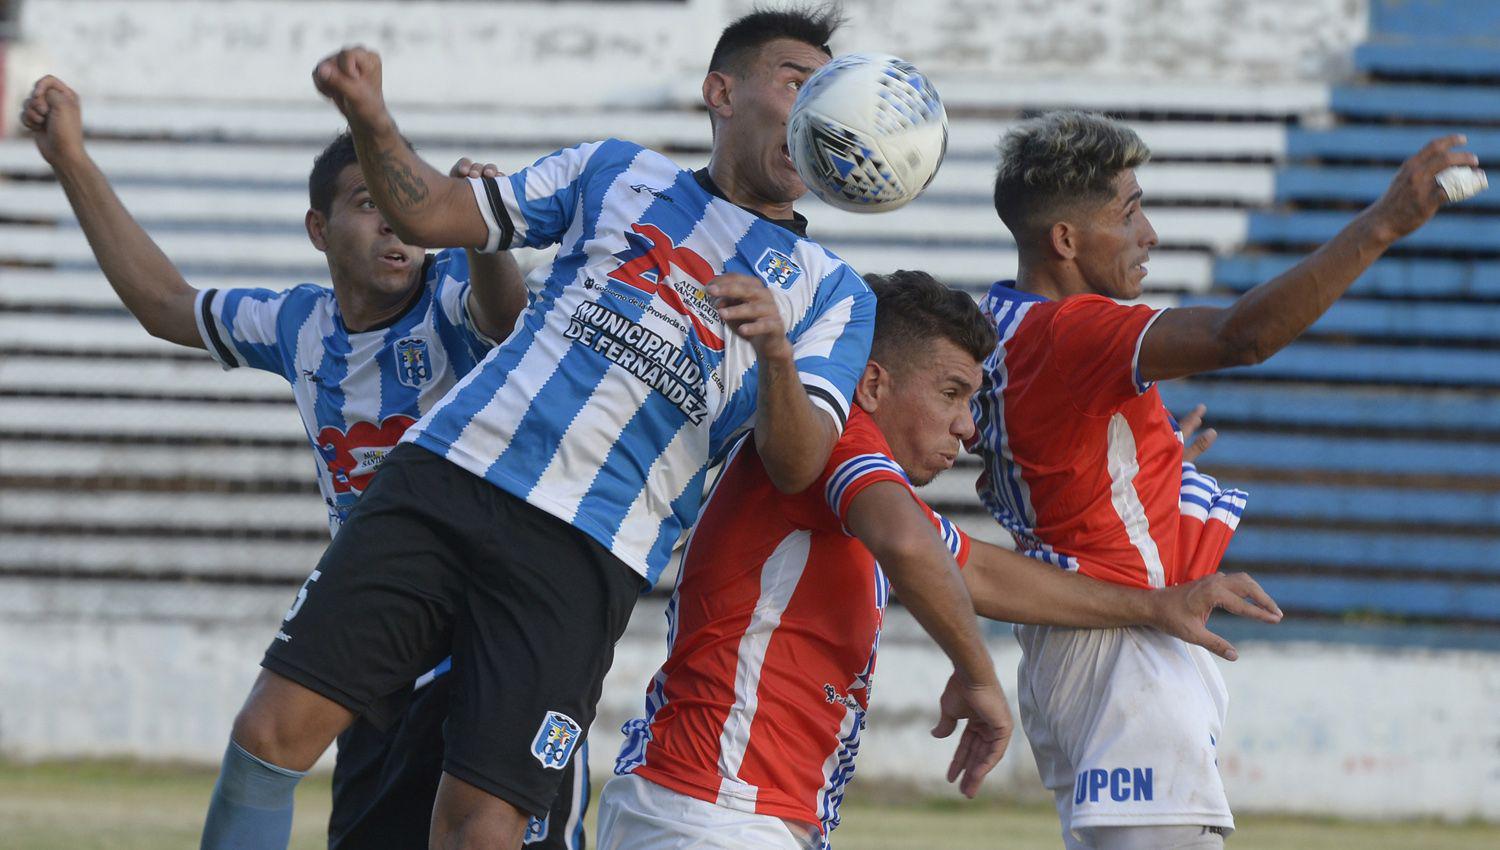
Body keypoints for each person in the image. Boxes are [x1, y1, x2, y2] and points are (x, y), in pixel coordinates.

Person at [197, 7, 1013, 849]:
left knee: (480, 828)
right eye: (796, 82)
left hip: (589, 551)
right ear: (720, 91)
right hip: (451, 474)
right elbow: (441, 213)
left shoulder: (832, 294)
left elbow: (797, 462)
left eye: (828, 91)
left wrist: (772, 349)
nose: (815, 108)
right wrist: (371, 119)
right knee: (271, 734)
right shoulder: (614, 171)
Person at [16, 77, 589, 849]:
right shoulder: (298, 326)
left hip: (490, 629)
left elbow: (506, 317)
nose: (398, 230)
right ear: (319, 229)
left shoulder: (451, 293)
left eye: (408, 207)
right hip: (377, 642)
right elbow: (163, 304)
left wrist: (482, 239)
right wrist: (71, 161)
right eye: (368, 205)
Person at [598, 270, 1282, 850]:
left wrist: (1153, 598)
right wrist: (978, 674)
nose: (969, 426)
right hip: (710, 810)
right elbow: (911, 549)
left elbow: (972, 569)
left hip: (730, 808)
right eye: (952, 393)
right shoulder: (835, 441)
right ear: (871, 384)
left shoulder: (872, 487)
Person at [969, 110, 1477, 850]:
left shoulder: (998, 323)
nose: (1149, 234)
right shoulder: (1073, 330)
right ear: (1066, 241)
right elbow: (1243, 335)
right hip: (1128, 650)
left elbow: (1049, 462)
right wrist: (1383, 224)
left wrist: (1153, 466)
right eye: (1130, 211)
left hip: (1068, 643)